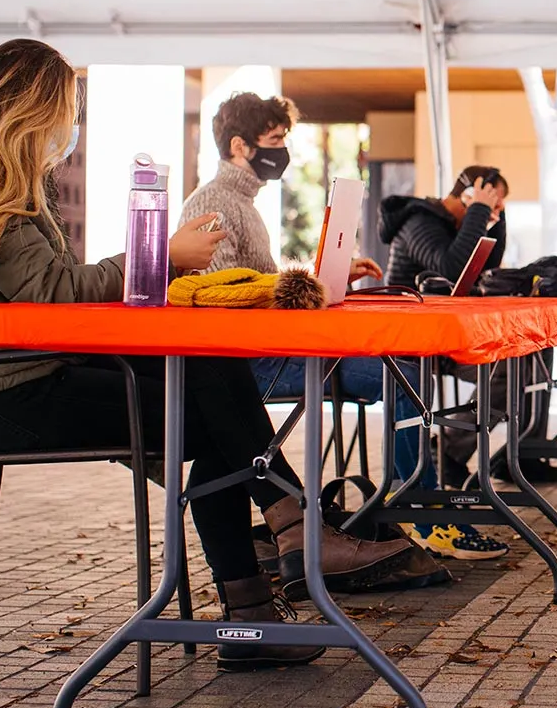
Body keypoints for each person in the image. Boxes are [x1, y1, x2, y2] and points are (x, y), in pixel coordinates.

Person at [0, 39, 421, 672]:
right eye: (68, 110)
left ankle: (279, 551)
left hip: (21, 372)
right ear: (32, 109)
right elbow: (53, 293)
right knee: (206, 414)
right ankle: (268, 575)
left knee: (204, 367)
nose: (71, 127)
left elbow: (46, 292)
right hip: (2, 395)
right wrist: (157, 258)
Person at [180, 96, 507, 561]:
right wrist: (303, 287)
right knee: (406, 379)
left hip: (273, 350)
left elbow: (257, 286)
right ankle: (418, 510)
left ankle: (414, 500)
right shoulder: (216, 202)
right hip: (253, 362)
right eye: (274, 141)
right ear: (239, 146)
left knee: (407, 371)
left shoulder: (241, 203)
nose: (283, 152)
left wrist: (319, 280)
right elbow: (226, 295)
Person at [380, 168, 557, 485]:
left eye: (499, 205)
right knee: (508, 364)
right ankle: (448, 452)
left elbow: (486, 272)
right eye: (492, 201)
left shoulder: (459, 225)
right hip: (418, 341)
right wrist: (478, 211)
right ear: (469, 194)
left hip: (453, 335)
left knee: (535, 346)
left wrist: (496, 221)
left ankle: (524, 455)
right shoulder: (418, 222)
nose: (494, 210)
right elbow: (451, 267)